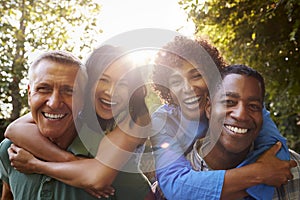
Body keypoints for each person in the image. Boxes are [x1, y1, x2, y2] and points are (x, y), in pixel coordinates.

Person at [150, 36, 296, 199]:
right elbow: (175, 186)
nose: (189, 88)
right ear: (168, 91)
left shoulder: (244, 110)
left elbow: (277, 156)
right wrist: (257, 174)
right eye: (175, 82)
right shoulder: (163, 122)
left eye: (196, 76)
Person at [4, 46, 155, 199]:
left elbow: (97, 178)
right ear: (87, 86)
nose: (111, 92)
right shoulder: (76, 110)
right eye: (103, 80)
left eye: (123, 84)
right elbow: (14, 129)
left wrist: (36, 165)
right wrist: (75, 164)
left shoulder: (136, 120)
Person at [0, 50, 106, 200]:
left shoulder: (108, 157)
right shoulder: (10, 150)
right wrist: (77, 167)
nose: (54, 103)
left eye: (69, 91)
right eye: (44, 89)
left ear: (83, 99)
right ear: (29, 94)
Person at [187, 64, 300, 199]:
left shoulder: (293, 170)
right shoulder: (170, 186)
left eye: (253, 106)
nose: (241, 115)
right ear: (209, 108)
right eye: (229, 101)